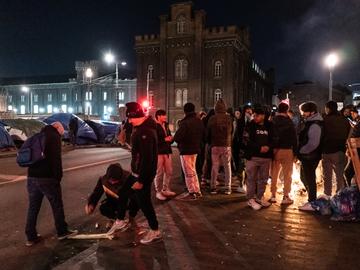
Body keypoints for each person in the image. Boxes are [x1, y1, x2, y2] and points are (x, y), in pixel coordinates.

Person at [25, 122, 78, 247]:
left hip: (32, 177)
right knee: (57, 205)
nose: (62, 133)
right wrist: (57, 178)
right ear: (57, 128)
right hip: (47, 178)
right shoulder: (54, 137)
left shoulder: (39, 135)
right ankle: (62, 232)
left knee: (33, 207)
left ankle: (30, 236)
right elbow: (56, 159)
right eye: (62, 131)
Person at [123, 102, 161, 244]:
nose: (130, 121)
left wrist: (141, 180)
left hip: (142, 175)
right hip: (137, 173)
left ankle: (155, 230)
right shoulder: (141, 129)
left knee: (144, 202)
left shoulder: (145, 132)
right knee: (131, 195)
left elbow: (147, 159)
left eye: (131, 118)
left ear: (137, 116)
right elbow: (139, 153)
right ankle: (128, 219)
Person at [85, 163, 137, 231]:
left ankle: (129, 218)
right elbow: (97, 192)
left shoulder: (128, 179)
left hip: (127, 202)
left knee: (135, 200)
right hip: (113, 201)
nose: (112, 183)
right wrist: (91, 203)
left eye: (115, 181)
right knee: (103, 208)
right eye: (111, 181)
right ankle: (117, 220)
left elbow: (134, 197)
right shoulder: (103, 180)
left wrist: (130, 215)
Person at [243, 107, 273, 210]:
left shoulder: (270, 126)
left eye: (257, 115)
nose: (255, 117)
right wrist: (259, 147)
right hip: (253, 157)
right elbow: (246, 139)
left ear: (263, 116)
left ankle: (259, 197)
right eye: (254, 115)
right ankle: (250, 199)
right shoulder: (250, 125)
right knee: (251, 179)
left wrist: (268, 147)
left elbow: (275, 139)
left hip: (266, 157)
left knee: (263, 179)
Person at [174, 102, 205, 201]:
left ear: (185, 111)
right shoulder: (198, 121)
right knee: (193, 170)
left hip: (186, 149)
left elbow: (178, 137)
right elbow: (203, 134)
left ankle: (192, 192)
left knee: (188, 172)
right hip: (195, 149)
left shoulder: (185, 122)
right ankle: (197, 190)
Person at [297, 102, 323, 211]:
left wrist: (301, 151)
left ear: (311, 112)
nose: (303, 114)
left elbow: (313, 143)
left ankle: (312, 202)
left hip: (310, 156)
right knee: (305, 177)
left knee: (309, 178)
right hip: (310, 155)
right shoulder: (312, 121)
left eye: (305, 111)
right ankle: (311, 200)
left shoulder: (315, 124)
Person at [269, 102, 297, 204]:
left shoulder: (272, 121)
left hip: (275, 150)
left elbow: (270, 136)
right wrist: (296, 152)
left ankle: (273, 195)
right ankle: (285, 196)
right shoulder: (289, 121)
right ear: (287, 110)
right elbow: (294, 138)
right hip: (287, 150)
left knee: (274, 173)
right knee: (287, 175)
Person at [322, 101, 350, 197]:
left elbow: (321, 135)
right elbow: (348, 135)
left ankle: (327, 196)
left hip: (327, 151)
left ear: (328, 108)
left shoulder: (324, 120)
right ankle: (340, 196)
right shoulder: (345, 120)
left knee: (327, 176)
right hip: (340, 150)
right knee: (339, 176)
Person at [207, 99, 233, 194]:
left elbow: (208, 132)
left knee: (215, 166)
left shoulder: (212, 118)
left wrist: (209, 143)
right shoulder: (229, 118)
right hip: (226, 145)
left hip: (215, 145)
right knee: (227, 166)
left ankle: (213, 187)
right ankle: (228, 187)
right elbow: (232, 132)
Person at [154, 109, 176, 201]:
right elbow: (154, 141)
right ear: (158, 116)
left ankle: (165, 188)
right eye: (163, 115)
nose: (165, 117)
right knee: (159, 173)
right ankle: (158, 191)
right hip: (159, 152)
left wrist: (171, 139)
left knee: (169, 171)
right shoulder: (154, 126)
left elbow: (169, 137)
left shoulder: (166, 125)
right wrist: (164, 140)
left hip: (167, 151)